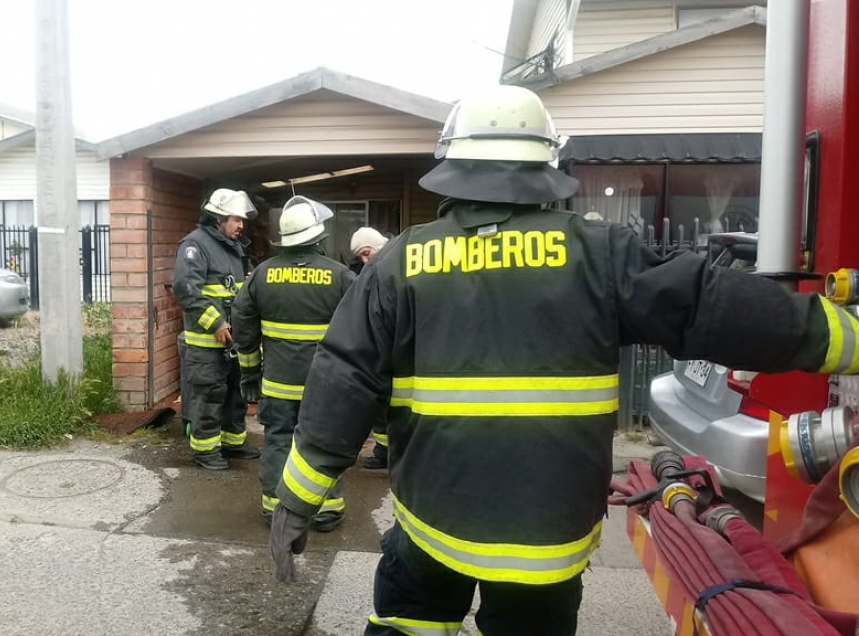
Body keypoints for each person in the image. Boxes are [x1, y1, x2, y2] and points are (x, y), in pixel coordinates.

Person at [268, 85, 859, 636]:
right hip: (549, 537)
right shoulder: (599, 254)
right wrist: (844, 338)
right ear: (543, 167)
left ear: (454, 167)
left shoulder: (400, 263)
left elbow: (344, 379)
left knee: (412, 622)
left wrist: (299, 498)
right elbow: (712, 306)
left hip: (433, 525)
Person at [232, 196, 357, 530]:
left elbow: (242, 325)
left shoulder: (260, 275)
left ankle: (276, 509)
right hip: (326, 386)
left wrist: (249, 372)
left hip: (277, 384)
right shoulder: (341, 276)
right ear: (318, 237)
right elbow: (364, 328)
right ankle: (327, 510)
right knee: (323, 446)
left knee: (278, 442)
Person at [173, 188, 262, 470]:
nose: (241, 225)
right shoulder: (194, 245)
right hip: (207, 343)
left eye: (242, 220)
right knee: (208, 398)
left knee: (235, 395)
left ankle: (233, 443)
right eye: (236, 219)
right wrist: (216, 322)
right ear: (218, 219)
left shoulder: (232, 248)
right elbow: (187, 290)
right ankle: (205, 450)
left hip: (232, 342)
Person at [348, 226, 392, 469]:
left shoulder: (398, 261)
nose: (365, 260)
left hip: (394, 345)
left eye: (367, 253)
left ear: (379, 245)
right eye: (360, 256)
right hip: (376, 346)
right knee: (379, 404)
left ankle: (393, 451)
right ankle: (384, 450)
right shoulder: (364, 272)